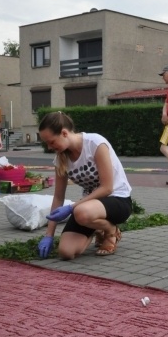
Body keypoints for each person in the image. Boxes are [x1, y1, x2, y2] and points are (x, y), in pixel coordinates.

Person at [37, 111, 133, 260]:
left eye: (52, 142)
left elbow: (107, 188)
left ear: (64, 133)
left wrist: (72, 207)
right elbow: (58, 197)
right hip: (89, 208)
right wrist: (49, 235)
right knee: (66, 252)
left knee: (81, 212)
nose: (49, 147)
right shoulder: (61, 159)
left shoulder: (95, 144)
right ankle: (97, 228)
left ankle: (110, 230)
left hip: (117, 200)